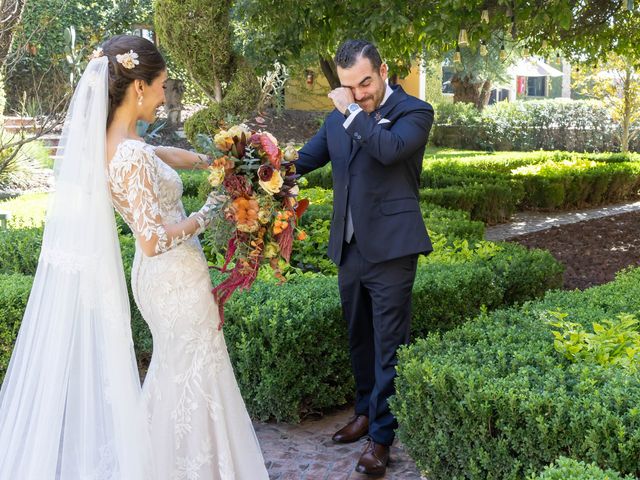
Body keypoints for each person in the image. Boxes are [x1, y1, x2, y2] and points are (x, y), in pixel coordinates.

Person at [0, 34, 268, 480]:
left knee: (178, 371)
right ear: (139, 86)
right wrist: (207, 214)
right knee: (194, 369)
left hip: (162, 280)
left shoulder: (118, 142)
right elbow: (151, 239)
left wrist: (215, 162)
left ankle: (169, 463)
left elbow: (164, 156)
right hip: (172, 278)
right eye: (162, 85)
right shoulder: (128, 155)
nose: (165, 95)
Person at [295, 39, 434, 476]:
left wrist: (351, 113)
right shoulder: (340, 119)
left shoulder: (415, 112)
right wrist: (254, 166)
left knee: (388, 345)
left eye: (365, 82)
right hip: (350, 247)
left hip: (393, 248)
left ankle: (381, 437)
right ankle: (363, 411)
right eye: (349, 87)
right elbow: (304, 160)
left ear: (384, 69)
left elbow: (388, 149)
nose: (358, 93)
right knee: (359, 337)